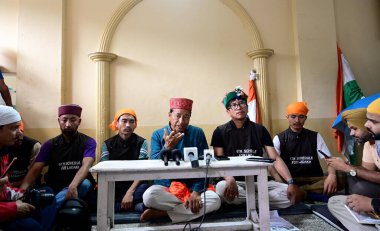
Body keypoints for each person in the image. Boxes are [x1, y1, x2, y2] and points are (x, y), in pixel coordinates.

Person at [211, 88, 303, 209]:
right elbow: (219, 160)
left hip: (259, 180)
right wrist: (229, 178)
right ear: (228, 112)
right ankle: (262, 201)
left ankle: (247, 202)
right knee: (221, 188)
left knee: (287, 192)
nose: (238, 107)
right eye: (234, 105)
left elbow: (274, 157)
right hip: (235, 182)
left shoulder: (260, 130)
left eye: (242, 103)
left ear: (247, 108)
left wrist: (290, 182)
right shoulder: (220, 131)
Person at [141, 98, 221, 223]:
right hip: (167, 188)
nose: (181, 121)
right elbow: (155, 163)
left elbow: (204, 165)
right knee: (149, 197)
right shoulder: (157, 134)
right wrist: (167, 148)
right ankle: (186, 210)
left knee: (215, 200)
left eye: (186, 117)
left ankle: (163, 214)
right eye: (177, 116)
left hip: (193, 186)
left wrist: (195, 192)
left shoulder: (197, 133)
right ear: (169, 115)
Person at [20, 104, 96, 209]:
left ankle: (50, 207)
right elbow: (34, 170)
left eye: (73, 120)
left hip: (79, 186)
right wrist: (20, 193)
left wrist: (72, 186)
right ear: (58, 121)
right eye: (64, 120)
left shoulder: (88, 142)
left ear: (79, 121)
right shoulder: (49, 144)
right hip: (55, 187)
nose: (68, 124)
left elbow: (86, 165)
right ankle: (55, 205)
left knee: (86, 183)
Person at [0, 105, 56, 231]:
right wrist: (14, 208)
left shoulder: (4, 152)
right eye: (14, 128)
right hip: (5, 208)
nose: (20, 132)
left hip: (7, 201)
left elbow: (3, 189)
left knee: (46, 195)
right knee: (31, 226)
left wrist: (22, 195)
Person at [328, 98, 380, 231]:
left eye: (373, 121)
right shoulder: (371, 143)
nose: (367, 124)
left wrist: (372, 204)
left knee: (359, 188)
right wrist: (348, 168)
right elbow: (368, 172)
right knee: (336, 201)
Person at [273, 102, 338, 196]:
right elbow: (271, 163)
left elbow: (330, 160)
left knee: (335, 182)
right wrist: (278, 179)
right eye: (293, 116)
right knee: (276, 188)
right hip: (290, 181)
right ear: (287, 117)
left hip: (314, 180)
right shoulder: (279, 138)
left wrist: (332, 175)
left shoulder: (315, 136)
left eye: (301, 116)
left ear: (306, 118)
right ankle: (306, 193)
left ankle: (301, 192)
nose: (297, 120)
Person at [101, 108, 149, 212]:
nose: (128, 125)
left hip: (136, 185)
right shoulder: (107, 144)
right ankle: (135, 206)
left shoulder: (142, 142)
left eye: (131, 121)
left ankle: (126, 205)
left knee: (145, 189)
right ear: (116, 123)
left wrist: (129, 193)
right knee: (97, 198)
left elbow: (142, 170)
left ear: (135, 124)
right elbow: (104, 172)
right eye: (124, 121)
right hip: (115, 186)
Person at [325, 108, 379, 197]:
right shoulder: (368, 144)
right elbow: (368, 171)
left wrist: (348, 168)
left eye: (354, 128)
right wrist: (345, 165)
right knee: (350, 178)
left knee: (360, 187)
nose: (351, 134)